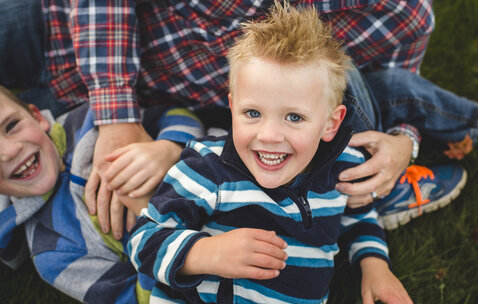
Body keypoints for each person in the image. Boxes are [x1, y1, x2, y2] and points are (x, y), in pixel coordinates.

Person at [0, 0, 439, 236]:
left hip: (168, 105)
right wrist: (115, 117)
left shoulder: (401, 16)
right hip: (50, 24)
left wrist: (404, 143)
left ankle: (366, 201)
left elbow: (393, 90)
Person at [128, 4, 416, 304]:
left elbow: (357, 215)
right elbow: (142, 240)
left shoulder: (340, 168)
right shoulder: (208, 168)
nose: (269, 136)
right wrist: (207, 253)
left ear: (330, 124)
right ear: (232, 106)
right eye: (253, 113)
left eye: (294, 117)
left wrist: (375, 265)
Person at [0, 85, 204, 304]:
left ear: (37, 116)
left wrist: (171, 147)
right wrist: (150, 222)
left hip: (235, 183)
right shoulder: (52, 254)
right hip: (210, 279)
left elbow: (176, 115)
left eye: (11, 126)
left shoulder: (94, 118)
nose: (10, 151)